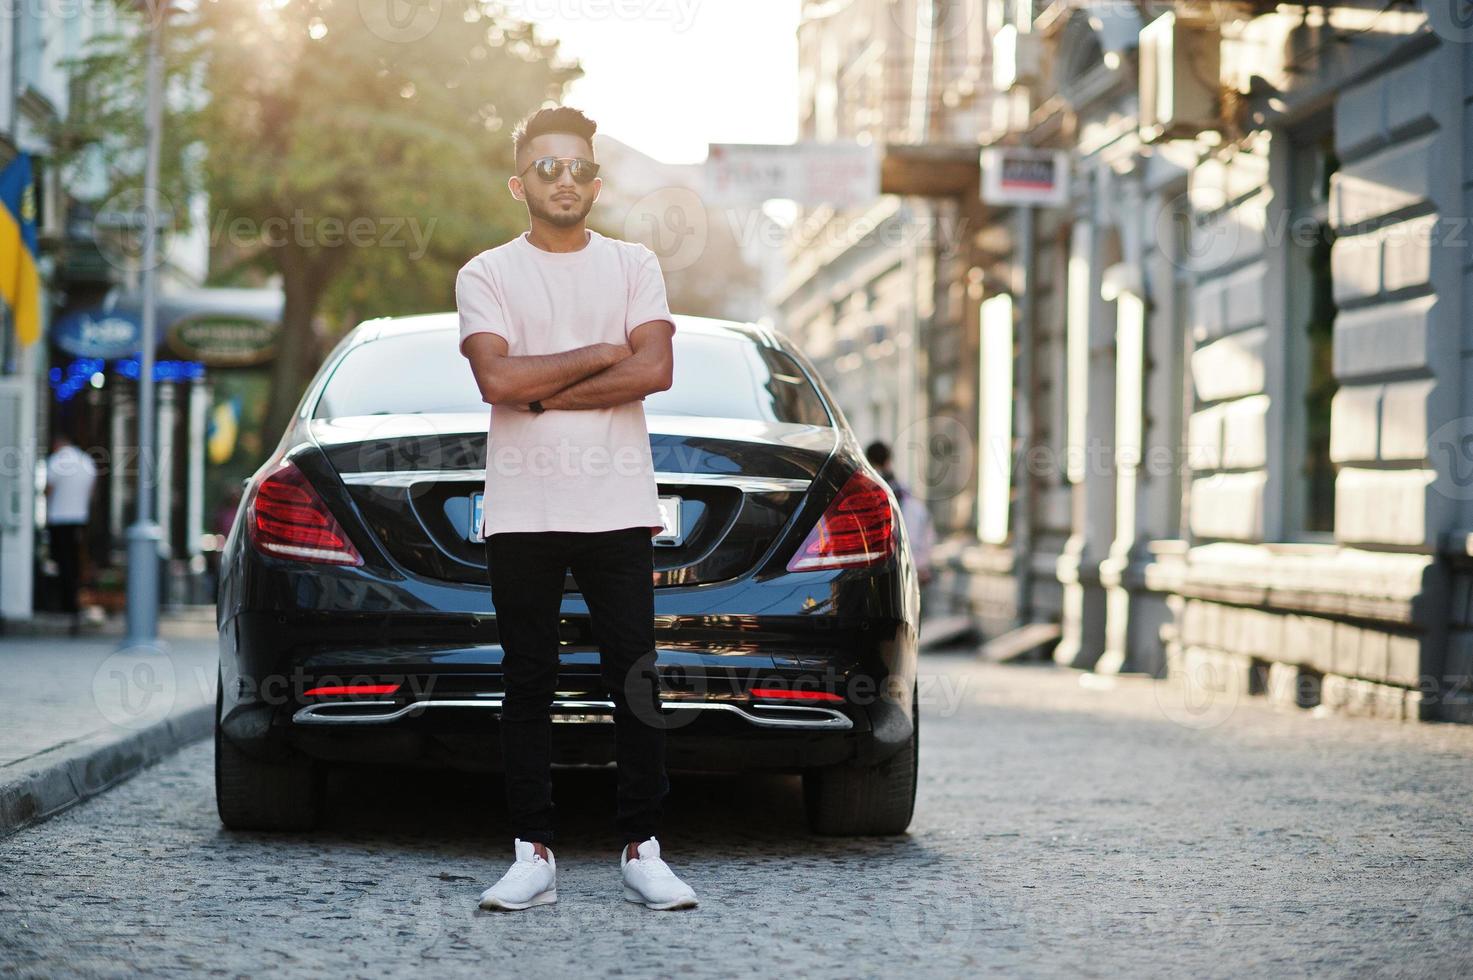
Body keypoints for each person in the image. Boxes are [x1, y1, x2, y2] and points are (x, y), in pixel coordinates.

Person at [456, 106, 697, 913]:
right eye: (548, 168)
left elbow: (654, 369)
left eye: (581, 168)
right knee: (528, 681)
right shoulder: (486, 272)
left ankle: (643, 847)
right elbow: (498, 383)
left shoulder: (634, 263)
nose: (567, 180)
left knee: (635, 675)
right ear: (519, 182)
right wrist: (602, 351)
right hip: (523, 509)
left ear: (597, 181)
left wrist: (543, 383)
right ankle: (532, 853)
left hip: (617, 503)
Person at [44, 429, 97, 635]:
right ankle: (76, 601)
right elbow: (91, 491)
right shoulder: (86, 462)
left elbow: (48, 490)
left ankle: (65, 602)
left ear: (58, 444)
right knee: (76, 562)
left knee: (60, 562)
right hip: (80, 518)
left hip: (59, 518)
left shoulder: (57, 461)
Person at [866, 440, 936, 588]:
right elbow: (922, 525)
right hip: (906, 562)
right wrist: (922, 563)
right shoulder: (903, 491)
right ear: (889, 460)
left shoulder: (870, 490)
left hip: (882, 565)